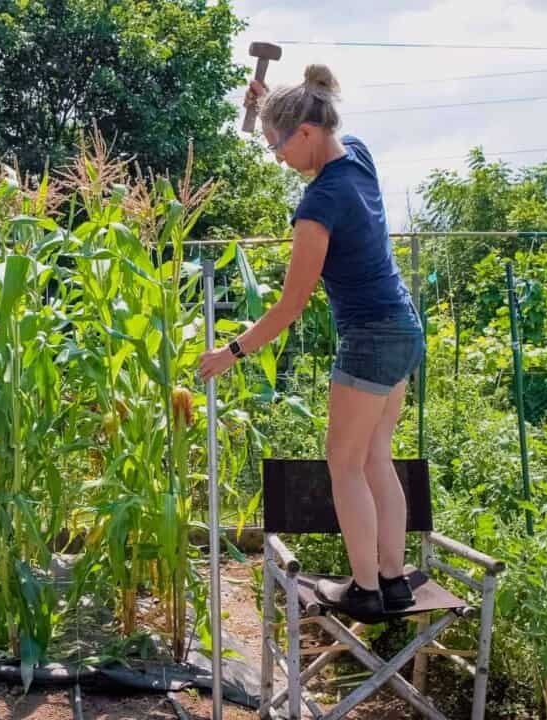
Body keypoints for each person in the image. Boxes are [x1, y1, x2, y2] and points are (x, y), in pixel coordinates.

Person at [199, 64, 424, 621]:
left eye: (278, 145)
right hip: (404, 329)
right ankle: (394, 582)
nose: (276, 157)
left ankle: (365, 591)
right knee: (377, 457)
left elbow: (290, 305)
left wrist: (230, 354)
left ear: (303, 133)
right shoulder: (359, 157)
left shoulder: (317, 207)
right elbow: (314, 112)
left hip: (370, 337)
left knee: (343, 464)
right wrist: (272, 101)